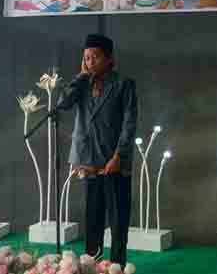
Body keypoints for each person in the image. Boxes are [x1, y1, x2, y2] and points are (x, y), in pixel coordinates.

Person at [63, 34, 137, 266]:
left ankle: (117, 266)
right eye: (86, 58)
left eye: (95, 57)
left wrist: (119, 156)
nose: (90, 61)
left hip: (114, 162)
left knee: (118, 220)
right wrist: (80, 77)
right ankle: (90, 265)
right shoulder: (82, 85)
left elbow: (129, 124)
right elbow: (63, 104)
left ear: (109, 59)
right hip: (88, 161)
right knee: (92, 218)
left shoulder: (124, 84)